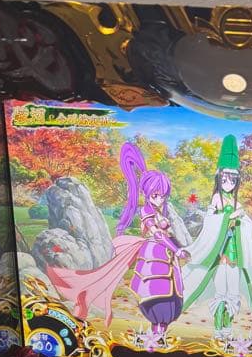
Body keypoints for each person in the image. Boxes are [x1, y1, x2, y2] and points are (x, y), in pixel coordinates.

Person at [46, 142, 188, 339]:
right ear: (147, 194)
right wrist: (176, 248)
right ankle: (156, 334)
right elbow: (157, 234)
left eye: (163, 196)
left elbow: (166, 232)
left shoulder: (158, 211)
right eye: (156, 195)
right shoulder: (146, 211)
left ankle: (159, 334)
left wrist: (175, 247)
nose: (160, 199)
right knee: (157, 294)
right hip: (155, 255)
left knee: (172, 295)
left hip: (166, 257)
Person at [182, 135, 252, 340]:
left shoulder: (236, 201)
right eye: (224, 179)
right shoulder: (217, 198)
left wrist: (240, 218)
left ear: (236, 181)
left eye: (232, 180)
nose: (228, 183)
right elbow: (210, 221)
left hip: (234, 253)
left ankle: (227, 330)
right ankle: (218, 330)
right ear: (219, 179)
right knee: (221, 291)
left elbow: (247, 224)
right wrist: (228, 218)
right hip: (220, 252)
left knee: (233, 292)